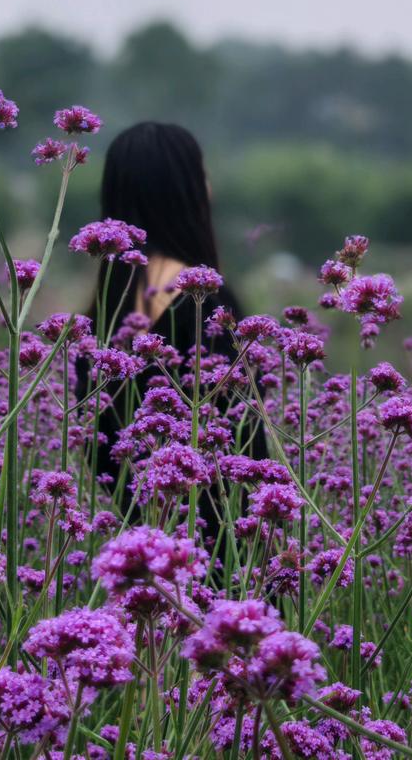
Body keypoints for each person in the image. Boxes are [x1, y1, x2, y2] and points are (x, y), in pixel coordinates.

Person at [83, 121, 262, 540]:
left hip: (139, 549)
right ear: (185, 191)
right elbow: (245, 441)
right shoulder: (206, 301)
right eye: (203, 174)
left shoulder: (104, 312)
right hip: (218, 550)